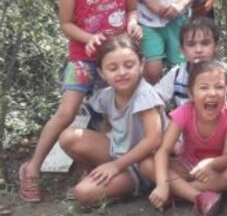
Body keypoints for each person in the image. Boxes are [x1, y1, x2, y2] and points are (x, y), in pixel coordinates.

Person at [19, 0, 141, 202]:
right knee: (67, 112)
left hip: (116, 61)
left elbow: (132, 11)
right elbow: (65, 24)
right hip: (83, 60)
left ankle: (96, 168)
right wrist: (88, 37)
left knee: (112, 115)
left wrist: (134, 25)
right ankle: (33, 168)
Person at [59, 35, 165, 206]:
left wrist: (116, 166)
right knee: (68, 137)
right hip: (117, 153)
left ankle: (129, 186)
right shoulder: (107, 95)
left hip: (143, 165)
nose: (122, 72)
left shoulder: (145, 95)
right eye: (113, 68)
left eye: (129, 65)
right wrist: (105, 159)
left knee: (83, 193)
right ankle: (96, 173)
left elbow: (154, 140)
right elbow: (107, 126)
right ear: (102, 73)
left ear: (141, 65)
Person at [147, 60, 227, 216]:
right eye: (204, 87)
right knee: (147, 164)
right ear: (191, 94)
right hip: (186, 168)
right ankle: (199, 197)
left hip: (214, 172)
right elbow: (163, 151)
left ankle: (176, 195)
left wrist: (211, 164)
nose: (212, 93)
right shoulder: (183, 113)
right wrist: (163, 184)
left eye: (219, 87)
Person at [154, 16, 227, 108]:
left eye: (205, 43)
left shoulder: (224, 71)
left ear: (216, 46)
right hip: (184, 121)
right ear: (182, 50)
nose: (198, 50)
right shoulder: (177, 74)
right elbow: (155, 98)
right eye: (191, 45)